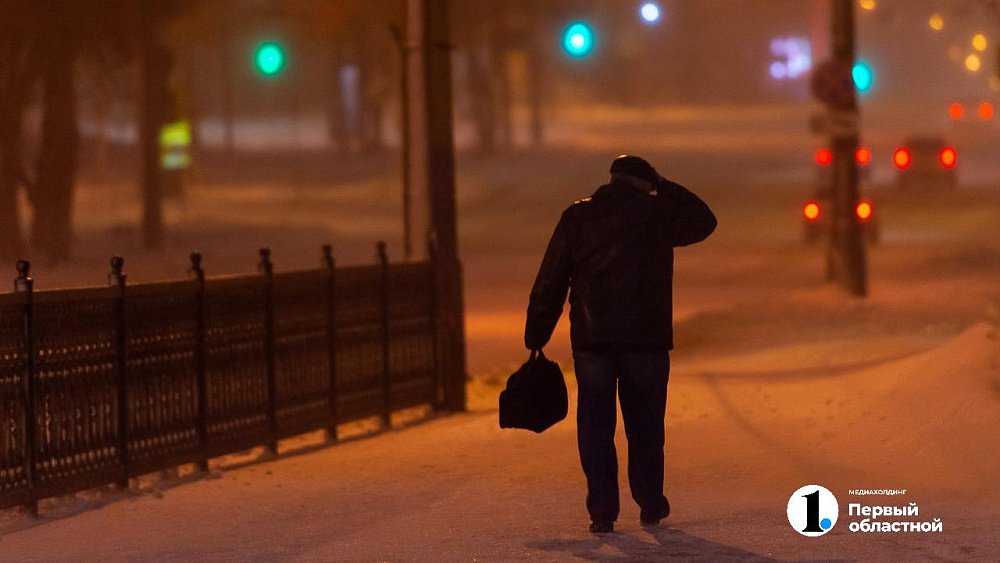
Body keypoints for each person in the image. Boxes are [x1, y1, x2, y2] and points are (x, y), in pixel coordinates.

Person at [524, 154, 717, 534]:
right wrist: (665, 183)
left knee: (595, 425)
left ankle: (602, 511)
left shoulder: (577, 217)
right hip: (646, 340)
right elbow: (704, 220)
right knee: (646, 425)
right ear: (645, 184)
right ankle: (650, 503)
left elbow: (551, 279)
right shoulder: (657, 214)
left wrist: (536, 335)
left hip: (593, 341)